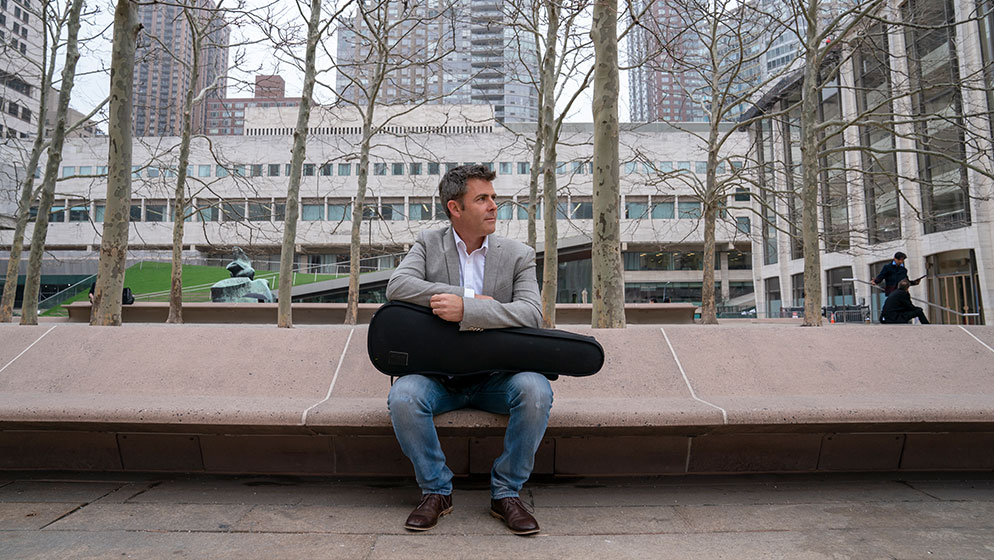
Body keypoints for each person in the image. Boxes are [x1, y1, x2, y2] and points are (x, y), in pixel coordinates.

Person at [385, 164, 552, 536]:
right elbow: (397, 286)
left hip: (499, 377)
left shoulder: (518, 254)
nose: (494, 206)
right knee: (404, 397)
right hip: (438, 377)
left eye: (493, 197)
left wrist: (470, 311)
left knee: (536, 390)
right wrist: (466, 296)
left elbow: (531, 313)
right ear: (455, 208)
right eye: (482, 199)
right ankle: (436, 491)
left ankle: (506, 493)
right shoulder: (429, 243)